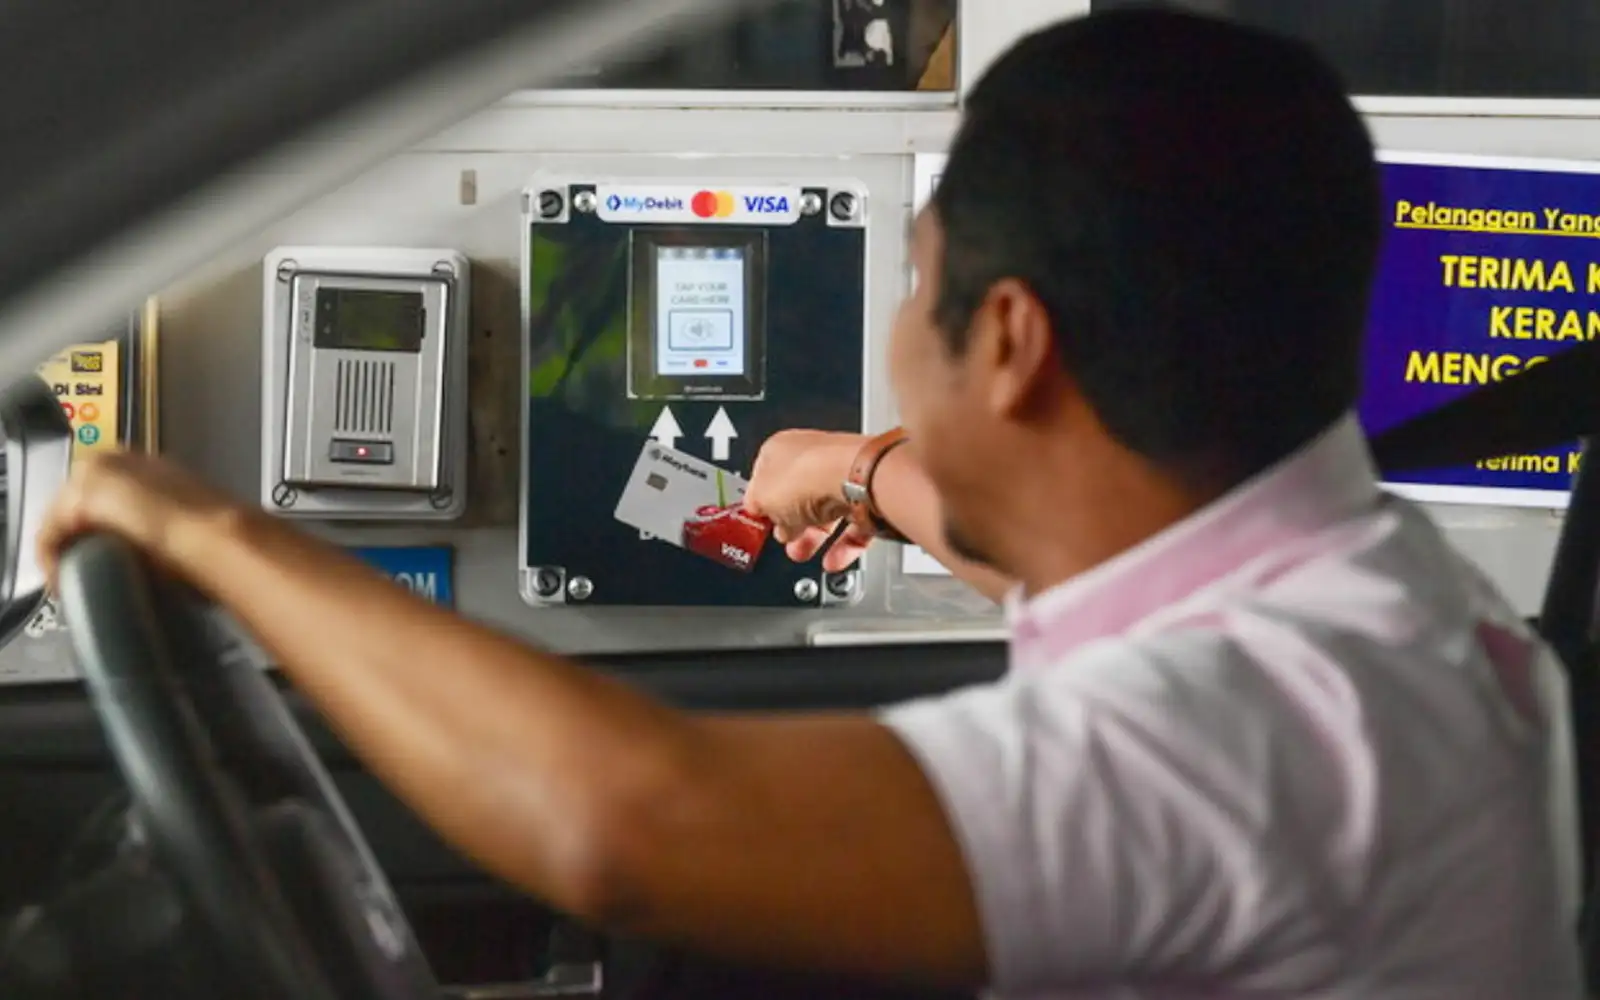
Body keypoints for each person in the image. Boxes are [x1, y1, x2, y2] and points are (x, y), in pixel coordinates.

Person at [35, 8, 1583, 998]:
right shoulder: (1376, 596)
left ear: (1011, 342)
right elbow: (1089, 554)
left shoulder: (1254, 737)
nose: (901, 337)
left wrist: (213, 532)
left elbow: (629, 825)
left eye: (914, 291)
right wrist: (865, 472)